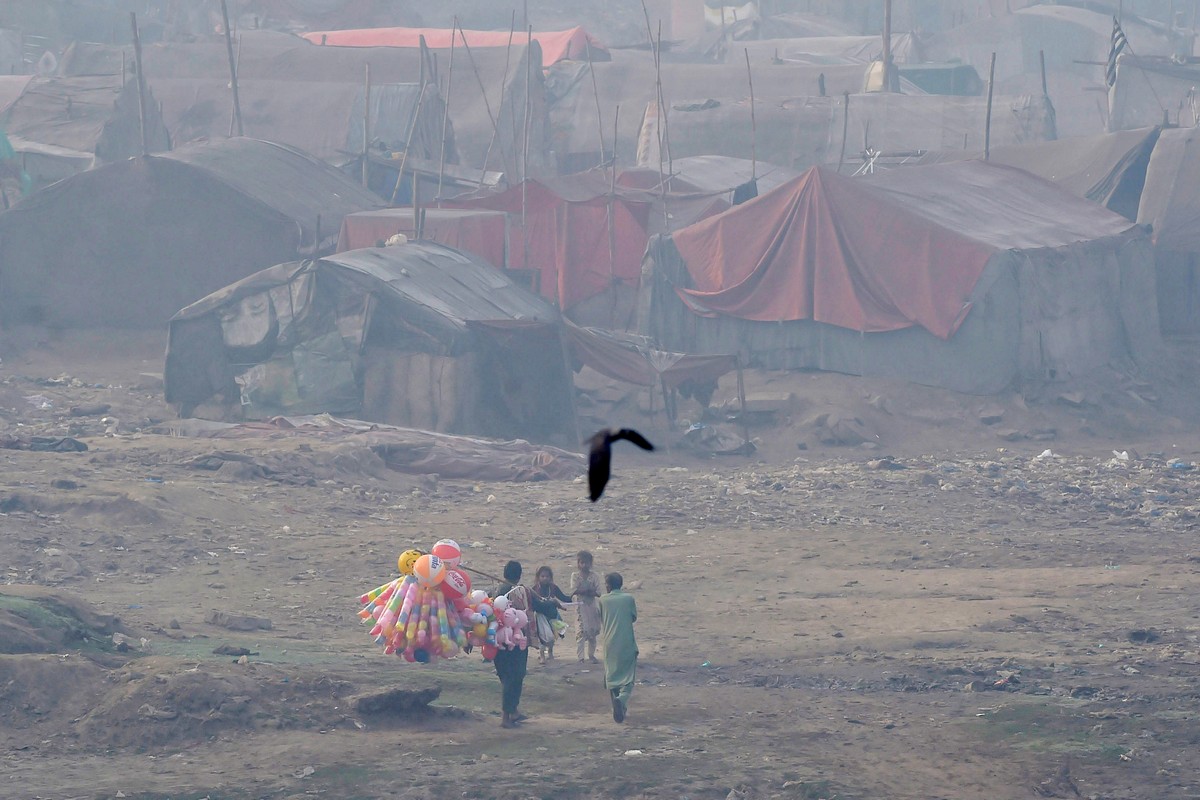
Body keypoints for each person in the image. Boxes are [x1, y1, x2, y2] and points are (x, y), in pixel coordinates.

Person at [493, 560, 559, 728]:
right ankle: (506, 717)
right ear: (519, 575)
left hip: (498, 642)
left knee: (507, 677)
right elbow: (541, 607)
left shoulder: (495, 592)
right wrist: (553, 604)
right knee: (515, 677)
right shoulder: (522, 592)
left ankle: (513, 711)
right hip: (517, 642)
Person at [598, 572, 638, 723]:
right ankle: (621, 701)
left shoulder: (602, 600)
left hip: (609, 643)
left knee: (612, 676)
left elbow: (601, 617)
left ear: (608, 585)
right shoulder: (628, 599)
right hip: (627, 642)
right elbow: (633, 617)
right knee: (627, 678)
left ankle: (618, 705)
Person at [532, 566, 571, 663]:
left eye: (547, 576)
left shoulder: (553, 588)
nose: (545, 578)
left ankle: (550, 652)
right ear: (538, 577)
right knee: (542, 636)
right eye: (542, 576)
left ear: (551, 577)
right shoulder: (535, 589)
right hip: (541, 616)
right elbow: (534, 604)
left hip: (553, 615)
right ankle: (542, 656)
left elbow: (564, 598)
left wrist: (575, 596)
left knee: (553, 635)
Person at [569, 551, 602, 663]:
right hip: (580, 607)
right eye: (581, 562)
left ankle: (591, 655)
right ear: (578, 563)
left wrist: (587, 591)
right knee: (581, 632)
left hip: (591, 607)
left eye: (586, 563)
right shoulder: (575, 576)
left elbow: (598, 592)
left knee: (592, 633)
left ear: (590, 564)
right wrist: (587, 591)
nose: (584, 565)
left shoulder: (594, 576)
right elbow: (574, 590)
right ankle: (581, 657)